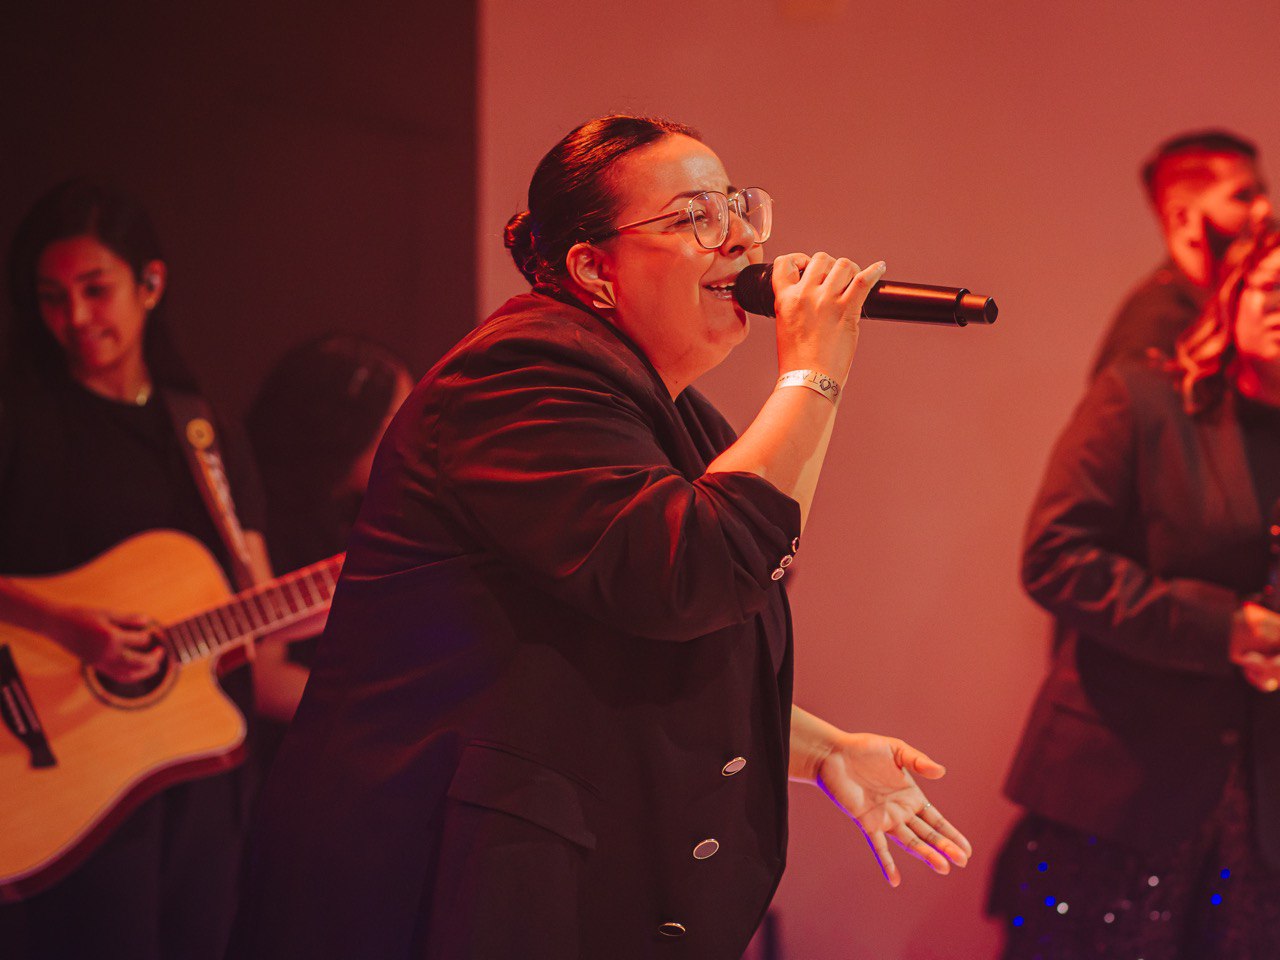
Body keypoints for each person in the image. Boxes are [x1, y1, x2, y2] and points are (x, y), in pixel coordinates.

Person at [230, 115, 972, 960]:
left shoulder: (670, 416)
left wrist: (824, 749)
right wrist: (814, 371)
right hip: (437, 892)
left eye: (738, 207)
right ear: (593, 268)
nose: (738, 238)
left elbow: (636, 655)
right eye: (696, 216)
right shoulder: (514, 380)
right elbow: (695, 572)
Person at [0, 180, 276, 958]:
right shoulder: (17, 418)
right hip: (61, 763)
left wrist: (333, 595)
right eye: (53, 297)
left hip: (197, 764)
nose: (76, 316)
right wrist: (62, 626)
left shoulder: (206, 433)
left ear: (150, 284)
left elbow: (258, 597)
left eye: (96, 289)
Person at [990, 227, 1280, 958]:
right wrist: (1226, 628)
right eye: (1274, 287)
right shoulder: (1145, 399)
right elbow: (1054, 559)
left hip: (1261, 818)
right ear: (1232, 296)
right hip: (1120, 788)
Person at [245, 333, 412, 770]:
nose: (410, 434)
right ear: (348, 426)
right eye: (398, 416)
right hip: (290, 765)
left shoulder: (359, 510)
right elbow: (264, 680)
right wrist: (391, 723)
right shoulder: (273, 519)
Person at [1090, 129, 1270, 378]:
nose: (1265, 210)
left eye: (1263, 193)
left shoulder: (1216, 314)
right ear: (1182, 219)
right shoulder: (1153, 332)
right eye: (1242, 197)